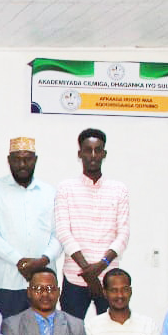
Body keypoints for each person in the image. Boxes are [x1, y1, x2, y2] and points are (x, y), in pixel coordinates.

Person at [0, 137, 61, 319]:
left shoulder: (49, 192)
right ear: (9, 160)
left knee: (42, 334)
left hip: (43, 283)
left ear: (35, 160)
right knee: (4, 334)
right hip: (5, 281)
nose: (22, 164)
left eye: (27, 159)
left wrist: (42, 261)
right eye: (17, 159)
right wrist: (19, 261)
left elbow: (58, 234)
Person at [54, 129, 130, 320]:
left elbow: (123, 234)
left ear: (104, 153)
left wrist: (102, 265)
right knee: (70, 332)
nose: (93, 155)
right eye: (88, 150)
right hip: (75, 276)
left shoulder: (119, 190)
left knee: (111, 332)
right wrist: (89, 272)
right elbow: (63, 231)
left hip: (110, 279)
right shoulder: (66, 188)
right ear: (80, 154)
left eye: (98, 150)